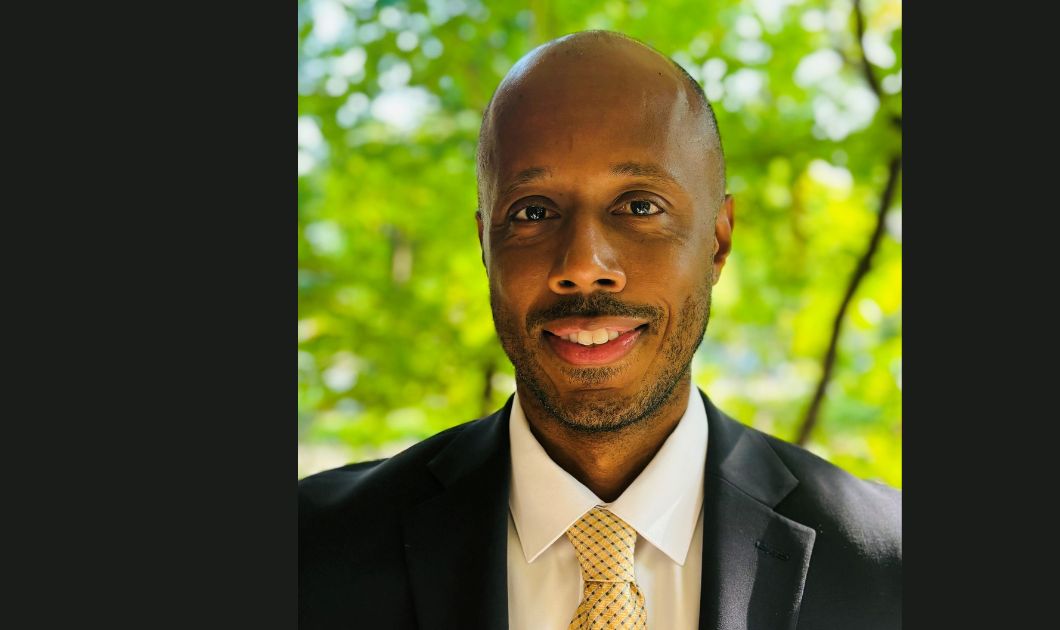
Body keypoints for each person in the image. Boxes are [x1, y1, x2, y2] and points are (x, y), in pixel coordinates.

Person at [299, 30, 900, 630]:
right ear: (486, 245)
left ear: (717, 242)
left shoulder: (892, 566)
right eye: (534, 212)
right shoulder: (309, 554)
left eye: (639, 206)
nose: (584, 264)